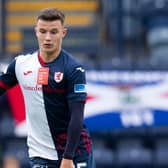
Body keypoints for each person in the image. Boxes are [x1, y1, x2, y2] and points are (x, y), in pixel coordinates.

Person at [0, 8, 96, 168]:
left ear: (63, 33)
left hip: (75, 153)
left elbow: (77, 117)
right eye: (43, 31)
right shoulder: (21, 65)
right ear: (36, 31)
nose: (48, 38)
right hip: (41, 155)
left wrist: (68, 157)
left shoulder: (73, 69)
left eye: (53, 32)